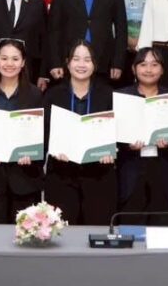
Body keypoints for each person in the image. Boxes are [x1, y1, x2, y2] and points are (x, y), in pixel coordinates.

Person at [43, 40, 118, 225]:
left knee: (97, 232)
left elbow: (117, 134)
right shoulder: (53, 95)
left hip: (99, 175)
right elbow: (44, 134)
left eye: (87, 59)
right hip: (61, 174)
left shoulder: (108, 95)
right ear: (68, 63)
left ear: (95, 64)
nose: (81, 64)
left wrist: (112, 151)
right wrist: (54, 149)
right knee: (62, 234)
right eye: (76, 59)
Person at [0, 39, 45, 223]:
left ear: (23, 63)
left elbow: (42, 135)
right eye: (4, 58)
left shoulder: (35, 95)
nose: (9, 64)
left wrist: (32, 156)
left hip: (26, 180)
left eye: (15, 59)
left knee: (26, 237)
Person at [115, 48, 168, 226]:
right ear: (133, 69)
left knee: (167, 236)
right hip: (131, 177)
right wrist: (127, 145)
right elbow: (111, 137)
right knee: (131, 235)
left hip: (165, 178)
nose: (148, 69)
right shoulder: (121, 97)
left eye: (154, 65)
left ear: (162, 70)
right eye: (143, 64)